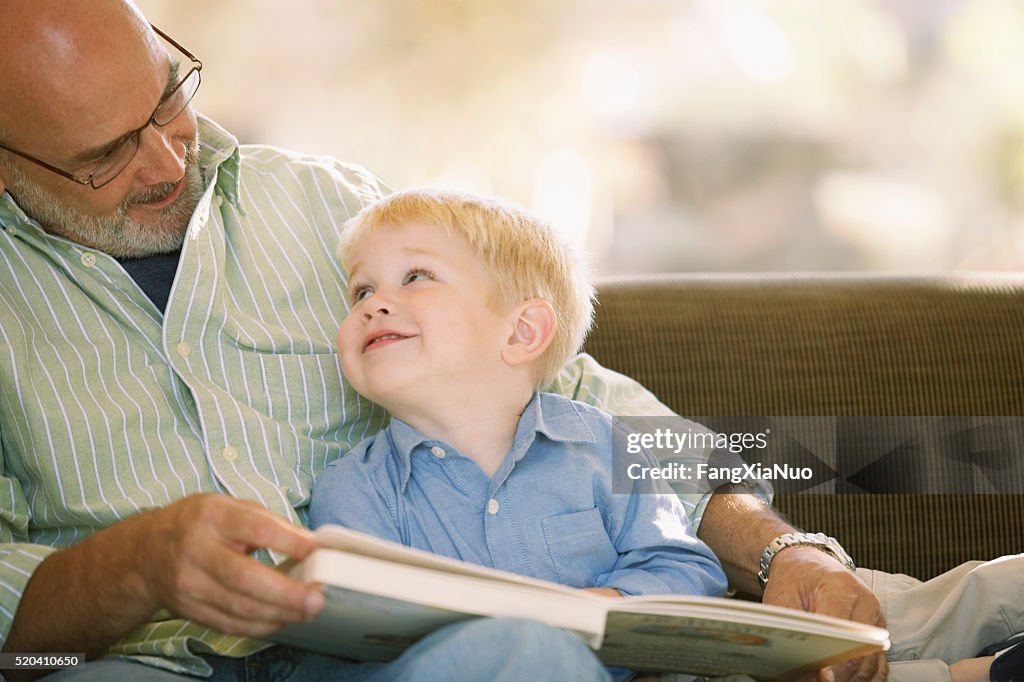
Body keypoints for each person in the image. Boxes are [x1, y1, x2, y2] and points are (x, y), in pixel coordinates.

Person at [0, 2, 1017, 681]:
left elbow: (582, 395)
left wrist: (774, 542)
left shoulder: (322, 203)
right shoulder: (368, 483)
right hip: (157, 661)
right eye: (103, 157)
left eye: (170, 97)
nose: (170, 158)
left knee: (905, 606)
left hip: (597, 622)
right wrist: (121, 571)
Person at [307, 189, 728, 676]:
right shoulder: (355, 490)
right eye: (361, 291)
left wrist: (598, 607)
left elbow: (687, 570)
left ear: (521, 332)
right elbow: (357, 643)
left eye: (416, 277)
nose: (374, 305)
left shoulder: (602, 444)